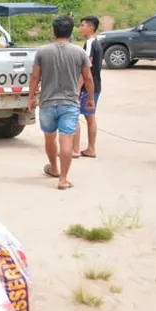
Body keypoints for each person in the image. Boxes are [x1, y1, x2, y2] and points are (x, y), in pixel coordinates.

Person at [27, 16, 95, 191]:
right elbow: (87, 77)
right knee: (66, 141)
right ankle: (63, 179)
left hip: (47, 102)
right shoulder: (79, 52)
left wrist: (30, 98)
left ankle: (54, 168)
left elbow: (35, 76)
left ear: (53, 31)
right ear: (71, 31)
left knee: (50, 138)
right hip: (70, 103)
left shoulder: (42, 52)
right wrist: (90, 99)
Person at [73, 16, 103, 159]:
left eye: (82, 25)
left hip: (87, 86)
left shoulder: (90, 44)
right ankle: (91, 148)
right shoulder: (97, 43)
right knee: (90, 117)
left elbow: (86, 69)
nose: (80, 28)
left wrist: (78, 88)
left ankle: (75, 149)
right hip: (96, 85)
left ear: (91, 28)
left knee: (74, 116)